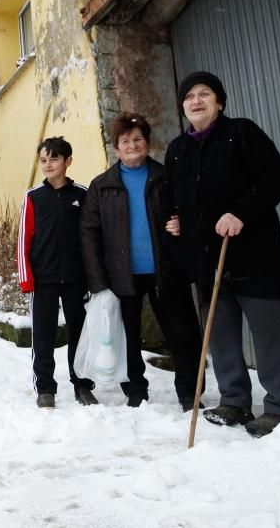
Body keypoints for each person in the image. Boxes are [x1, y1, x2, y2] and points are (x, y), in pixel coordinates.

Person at [164, 71, 280, 438]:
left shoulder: (241, 133)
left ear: (219, 101)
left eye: (204, 94)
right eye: (189, 96)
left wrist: (240, 213)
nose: (196, 101)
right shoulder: (179, 150)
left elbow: (277, 178)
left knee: (269, 333)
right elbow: (174, 198)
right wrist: (174, 220)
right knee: (220, 335)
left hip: (253, 257)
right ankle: (234, 400)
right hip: (208, 262)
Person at [80, 113, 204, 410]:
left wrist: (182, 224)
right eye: (126, 141)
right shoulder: (102, 186)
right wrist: (98, 281)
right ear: (116, 148)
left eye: (138, 139)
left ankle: (189, 393)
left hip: (167, 271)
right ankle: (135, 391)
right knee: (127, 338)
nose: (132, 145)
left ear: (147, 143)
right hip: (122, 276)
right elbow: (88, 234)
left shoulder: (165, 178)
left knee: (182, 334)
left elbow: (189, 213)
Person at [17, 136, 94, 408]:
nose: (48, 164)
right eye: (43, 160)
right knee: (43, 336)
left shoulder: (82, 195)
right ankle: (45, 388)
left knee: (81, 333)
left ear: (68, 161)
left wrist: (93, 278)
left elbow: (91, 238)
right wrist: (27, 278)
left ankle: (83, 385)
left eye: (54, 158)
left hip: (76, 280)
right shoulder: (33, 197)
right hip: (44, 280)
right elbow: (23, 241)